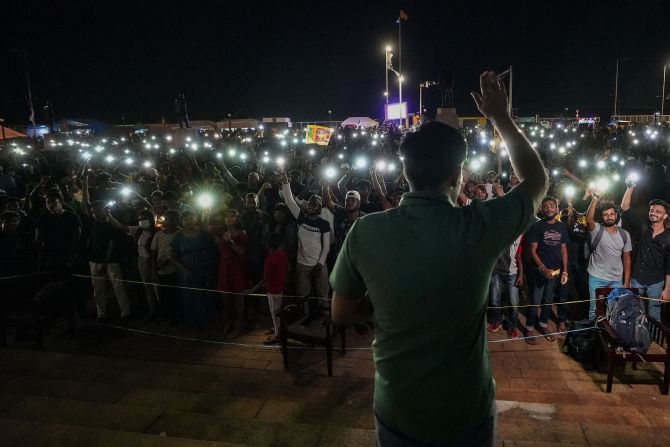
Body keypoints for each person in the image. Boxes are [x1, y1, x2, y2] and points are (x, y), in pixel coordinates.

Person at [330, 71, 547, 446]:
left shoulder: (365, 231)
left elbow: (342, 313)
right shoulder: (478, 227)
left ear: (404, 172)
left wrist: (385, 305)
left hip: (400, 409)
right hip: (464, 413)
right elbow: (537, 181)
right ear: (457, 175)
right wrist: (501, 118)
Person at [280, 169, 331, 305]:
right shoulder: (301, 218)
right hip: (302, 264)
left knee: (322, 295)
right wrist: (285, 180)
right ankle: (304, 318)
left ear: (319, 208)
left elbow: (326, 247)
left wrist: (320, 264)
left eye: (315, 204)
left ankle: (323, 321)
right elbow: (290, 200)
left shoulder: (323, 224)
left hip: (319, 265)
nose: (311, 206)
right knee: (303, 295)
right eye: (309, 204)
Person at [620, 185, 670, 322]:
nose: (653, 213)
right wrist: (630, 187)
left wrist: (667, 289)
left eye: (658, 211)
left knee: (654, 311)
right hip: (636, 278)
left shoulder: (668, 237)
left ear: (665, 216)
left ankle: (653, 340)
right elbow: (625, 207)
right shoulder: (642, 226)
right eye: (652, 210)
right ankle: (634, 338)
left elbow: (669, 266)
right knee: (633, 309)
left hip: (656, 281)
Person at [526, 197, 569, 343]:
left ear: (556, 208)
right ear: (542, 209)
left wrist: (565, 270)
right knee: (535, 300)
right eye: (545, 206)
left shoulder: (562, 227)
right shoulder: (537, 226)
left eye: (551, 206)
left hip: (555, 272)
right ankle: (530, 328)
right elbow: (532, 250)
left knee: (548, 300)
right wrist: (542, 267)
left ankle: (543, 325)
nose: (548, 209)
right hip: (539, 271)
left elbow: (563, 250)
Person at [585, 191, 632, 321]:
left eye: (612, 214)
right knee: (595, 310)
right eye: (605, 215)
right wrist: (594, 198)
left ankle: (610, 337)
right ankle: (595, 337)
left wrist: (626, 281)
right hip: (597, 277)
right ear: (602, 217)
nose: (609, 217)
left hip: (616, 279)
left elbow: (627, 259)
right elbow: (588, 220)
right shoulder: (597, 230)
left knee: (615, 310)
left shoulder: (624, 234)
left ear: (616, 215)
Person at [169, 210, 218, 331]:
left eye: (191, 218)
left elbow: (213, 248)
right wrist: (182, 268)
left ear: (195, 219)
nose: (189, 221)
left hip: (205, 268)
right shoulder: (179, 236)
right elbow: (171, 255)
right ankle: (195, 321)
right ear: (182, 221)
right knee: (191, 295)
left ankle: (209, 318)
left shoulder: (203, 233)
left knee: (206, 293)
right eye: (186, 219)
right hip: (188, 271)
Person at [86, 201, 131, 323]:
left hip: (111, 261)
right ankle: (102, 314)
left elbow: (112, 246)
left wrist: (105, 263)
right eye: (93, 212)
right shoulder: (93, 224)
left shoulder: (111, 225)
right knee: (98, 290)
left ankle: (125, 313)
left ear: (104, 211)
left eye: (96, 212)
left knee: (118, 287)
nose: (94, 214)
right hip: (95, 261)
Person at [247, 233, 289, 344]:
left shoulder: (270, 259)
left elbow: (265, 278)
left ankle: (277, 334)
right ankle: (277, 329)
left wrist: (252, 290)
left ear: (267, 245)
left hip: (273, 288)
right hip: (280, 286)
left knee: (274, 311)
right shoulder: (282, 254)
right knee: (277, 310)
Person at [488, 234, 523, 338]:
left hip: (512, 273)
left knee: (514, 304)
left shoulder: (519, 235)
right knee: (494, 300)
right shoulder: (500, 231)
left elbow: (519, 255)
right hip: (497, 272)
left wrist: (520, 274)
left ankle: (512, 326)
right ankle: (497, 321)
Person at [150, 209, 181, 322]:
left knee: (175, 293)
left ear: (177, 220)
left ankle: (175, 316)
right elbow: (154, 252)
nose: (169, 221)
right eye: (167, 219)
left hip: (176, 268)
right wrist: (154, 269)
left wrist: (170, 259)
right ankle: (166, 315)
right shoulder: (159, 234)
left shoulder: (180, 233)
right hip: (161, 268)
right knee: (163, 293)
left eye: (172, 219)